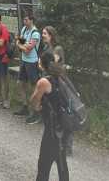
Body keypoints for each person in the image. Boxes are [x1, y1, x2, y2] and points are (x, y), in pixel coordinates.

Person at [30, 51, 69, 181]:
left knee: (43, 166)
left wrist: (38, 107)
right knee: (62, 165)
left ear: (42, 63)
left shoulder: (44, 82)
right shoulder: (60, 77)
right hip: (63, 127)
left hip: (52, 130)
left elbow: (34, 102)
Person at [40, 26, 71, 155]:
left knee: (63, 112)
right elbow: (44, 64)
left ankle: (67, 145)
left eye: (45, 33)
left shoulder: (57, 49)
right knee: (53, 113)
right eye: (42, 33)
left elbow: (53, 63)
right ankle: (55, 141)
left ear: (51, 35)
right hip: (49, 82)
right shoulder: (46, 48)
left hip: (59, 83)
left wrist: (43, 64)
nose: (43, 35)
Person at [15, 14, 42, 124]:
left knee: (33, 86)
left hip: (32, 62)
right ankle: (25, 106)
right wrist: (22, 45)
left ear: (31, 20)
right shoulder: (24, 29)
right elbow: (22, 42)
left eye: (26, 19)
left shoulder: (35, 33)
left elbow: (28, 49)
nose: (24, 21)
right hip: (24, 61)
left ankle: (36, 111)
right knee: (20, 83)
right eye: (24, 19)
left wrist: (20, 45)